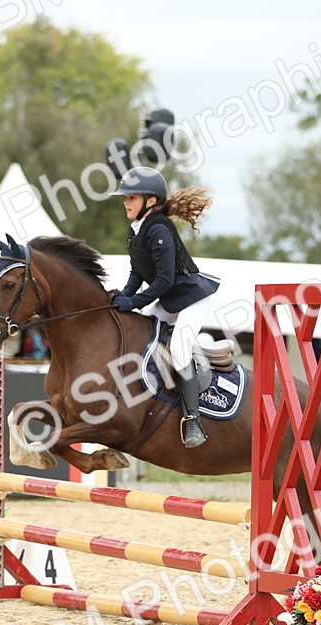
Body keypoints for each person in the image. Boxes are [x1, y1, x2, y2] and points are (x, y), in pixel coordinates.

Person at [109, 167, 221, 448]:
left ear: (150, 201)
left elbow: (164, 279)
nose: (125, 202)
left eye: (131, 197)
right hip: (171, 297)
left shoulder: (159, 228)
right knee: (139, 330)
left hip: (192, 297)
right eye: (125, 197)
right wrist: (123, 296)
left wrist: (134, 302)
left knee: (179, 348)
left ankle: (193, 419)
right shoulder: (136, 228)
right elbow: (138, 271)